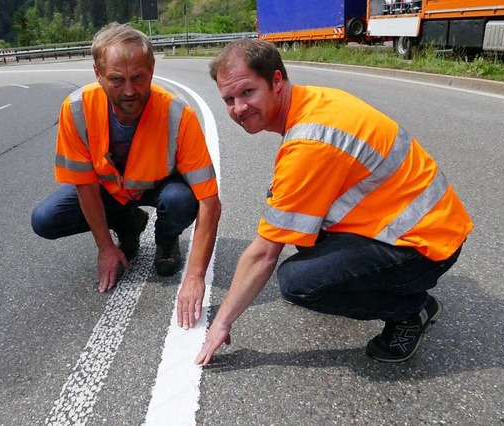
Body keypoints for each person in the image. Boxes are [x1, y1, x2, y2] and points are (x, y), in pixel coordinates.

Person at [195, 38, 473, 364]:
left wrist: (222, 321)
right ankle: (378, 289)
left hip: (425, 246)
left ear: (276, 81)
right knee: (289, 208)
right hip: (423, 226)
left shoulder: (311, 141)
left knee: (297, 284)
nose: (238, 108)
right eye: (229, 99)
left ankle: (412, 311)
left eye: (247, 92)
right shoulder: (315, 101)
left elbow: (262, 256)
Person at [31, 24, 221, 329]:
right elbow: (85, 187)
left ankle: (167, 240)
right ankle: (127, 224)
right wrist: (105, 247)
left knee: (182, 200)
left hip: (159, 185)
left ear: (152, 68)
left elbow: (209, 200)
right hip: (109, 189)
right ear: (97, 73)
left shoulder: (177, 114)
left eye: (138, 78)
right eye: (116, 80)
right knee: (44, 219)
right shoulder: (77, 109)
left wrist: (195, 276)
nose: (130, 91)